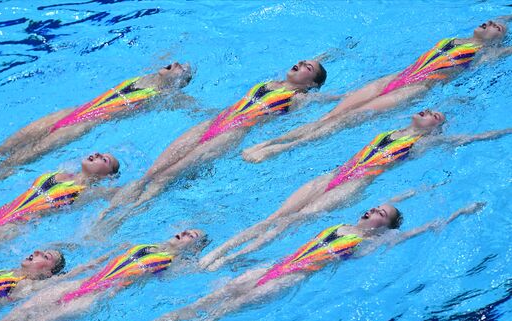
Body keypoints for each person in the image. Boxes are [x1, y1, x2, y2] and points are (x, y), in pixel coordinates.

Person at [113, 202, 484, 321]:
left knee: (218, 313)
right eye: (376, 206)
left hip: (285, 281)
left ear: (385, 226)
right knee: (205, 301)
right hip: (270, 269)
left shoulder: (368, 243)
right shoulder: (341, 224)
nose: (374, 210)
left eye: (382, 213)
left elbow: (411, 233)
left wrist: (451, 216)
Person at [200, 110, 512, 270]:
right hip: (332, 176)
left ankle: (236, 256)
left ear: (436, 129)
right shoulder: (393, 130)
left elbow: (472, 138)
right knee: (276, 215)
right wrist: (412, 193)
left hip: (351, 186)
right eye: (430, 110)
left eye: (436, 116)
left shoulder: (424, 143)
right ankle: (220, 250)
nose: (428, 112)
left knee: (290, 222)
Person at [93, 59, 334, 236]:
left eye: (308, 68)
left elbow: (327, 101)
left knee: (165, 178)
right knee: (152, 173)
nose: (301, 63)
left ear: (311, 83)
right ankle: (103, 216)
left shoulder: (300, 98)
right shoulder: (273, 82)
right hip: (211, 124)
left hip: (230, 135)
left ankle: (123, 218)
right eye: (302, 61)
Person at [243, 19, 512, 163]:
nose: (489, 24)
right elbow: (501, 17)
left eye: (496, 28)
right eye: (489, 22)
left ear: (498, 41)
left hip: (410, 90)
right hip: (392, 79)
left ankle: (280, 149)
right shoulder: (457, 40)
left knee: (343, 121)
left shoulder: (484, 55)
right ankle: (267, 143)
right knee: (331, 115)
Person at [0, 230, 207, 321]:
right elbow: (96, 264)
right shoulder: (142, 246)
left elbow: (189, 273)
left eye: (191, 235)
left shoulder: (174, 263)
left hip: (98, 295)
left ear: (194, 248)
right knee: (14, 317)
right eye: (185, 230)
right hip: (80, 285)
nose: (183, 234)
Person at [0, 62, 191, 185]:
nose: (176, 63)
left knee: (21, 157)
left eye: (181, 69)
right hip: (70, 112)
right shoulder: (143, 78)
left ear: (178, 81)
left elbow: (189, 106)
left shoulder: (161, 96)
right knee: (3, 148)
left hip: (83, 124)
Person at [0, 152, 120, 256]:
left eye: (105, 160)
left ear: (107, 177)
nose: (98, 154)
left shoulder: (87, 192)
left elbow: (120, 195)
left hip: (16, 225)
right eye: (100, 153)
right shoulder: (63, 171)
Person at [0, 249, 65, 316]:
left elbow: (54, 281)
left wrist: (76, 271)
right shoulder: (9, 272)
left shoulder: (25, 284)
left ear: (48, 273)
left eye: (46, 256)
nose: (37, 251)